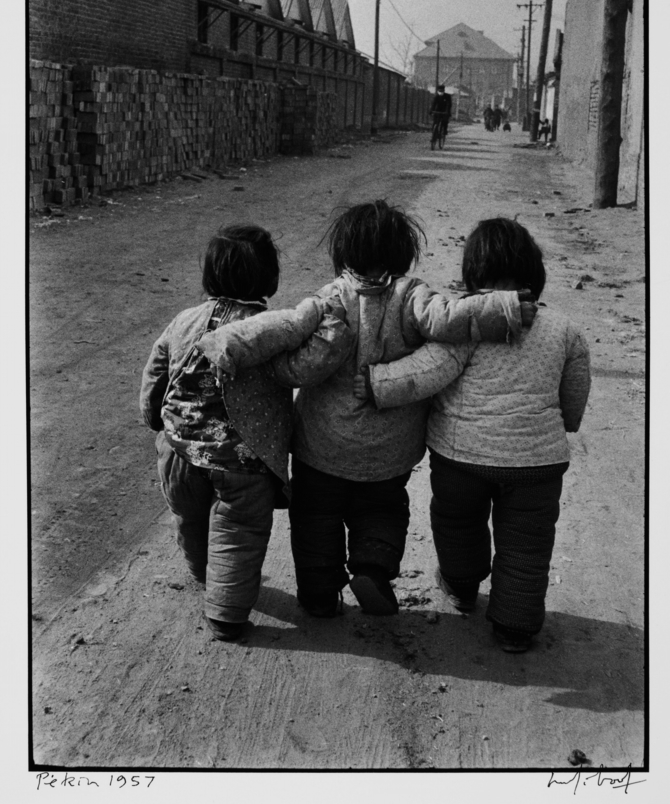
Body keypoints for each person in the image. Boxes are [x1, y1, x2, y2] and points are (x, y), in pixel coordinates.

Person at [197, 202, 537, 620]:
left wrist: (229, 343)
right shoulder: (413, 294)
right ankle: (373, 568)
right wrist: (503, 308)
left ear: (343, 251)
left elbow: (285, 326)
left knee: (315, 518)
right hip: (389, 451)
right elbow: (449, 318)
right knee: (383, 511)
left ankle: (319, 593)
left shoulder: (331, 296)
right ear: (403, 250)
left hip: (321, 446)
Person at [356, 218, 590, 652]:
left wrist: (376, 383)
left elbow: (427, 372)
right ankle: (515, 626)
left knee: (457, 523)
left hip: (461, 458)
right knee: (527, 545)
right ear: (534, 272)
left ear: (472, 273)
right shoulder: (563, 329)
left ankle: (462, 586)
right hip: (537, 463)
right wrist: (567, 423)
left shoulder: (468, 324)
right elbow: (574, 393)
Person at [139, 224, 353, 641]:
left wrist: (154, 419)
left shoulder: (183, 321)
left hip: (178, 452)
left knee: (191, 521)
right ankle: (225, 612)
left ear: (209, 274)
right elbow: (304, 369)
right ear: (269, 277)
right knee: (237, 534)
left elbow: (155, 375)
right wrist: (334, 329)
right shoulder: (268, 329)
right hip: (244, 460)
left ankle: (205, 574)